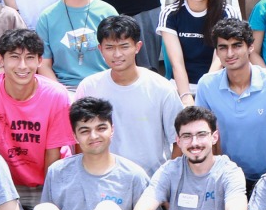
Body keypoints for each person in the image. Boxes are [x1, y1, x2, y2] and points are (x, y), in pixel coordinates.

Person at [0, 29, 75, 210]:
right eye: (14, 57)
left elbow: (53, 155)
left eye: (30, 58)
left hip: (46, 182)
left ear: (39, 61)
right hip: (3, 183)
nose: (22, 66)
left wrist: (49, 205)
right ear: (0, 60)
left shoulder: (56, 95)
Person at [30, 97, 152, 210]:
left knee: (107, 209)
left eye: (101, 128)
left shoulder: (134, 175)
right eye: (85, 131)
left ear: (112, 130)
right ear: (74, 136)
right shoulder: (58, 171)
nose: (94, 136)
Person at [196, 18, 266, 183]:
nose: (230, 54)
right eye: (223, 48)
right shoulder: (206, 85)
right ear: (217, 53)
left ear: (250, 47)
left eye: (237, 45)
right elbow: (202, 135)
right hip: (225, 179)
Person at [129, 106, 250, 210]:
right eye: (187, 136)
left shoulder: (229, 171)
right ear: (178, 141)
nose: (194, 143)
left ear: (214, 137)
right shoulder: (170, 170)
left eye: (201, 134)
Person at [77, 15, 186, 174]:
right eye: (110, 47)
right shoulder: (89, 87)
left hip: (152, 181)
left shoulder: (162, 88)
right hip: (103, 178)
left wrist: (165, 182)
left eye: (124, 46)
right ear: (100, 49)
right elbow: (78, 138)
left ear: (138, 46)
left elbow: (179, 139)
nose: (117, 54)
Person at [158, 0, 242, 104]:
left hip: (218, 85)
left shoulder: (227, 13)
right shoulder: (170, 13)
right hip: (181, 87)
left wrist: (204, 94)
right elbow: (177, 63)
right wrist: (186, 97)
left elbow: (220, 60)